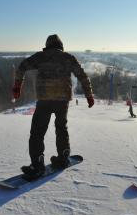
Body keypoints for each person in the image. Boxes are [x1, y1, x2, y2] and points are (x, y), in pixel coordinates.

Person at [12, 34, 94, 179]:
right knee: (61, 126)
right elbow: (82, 76)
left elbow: (22, 67)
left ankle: (37, 165)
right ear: (61, 46)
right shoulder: (68, 58)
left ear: (47, 45)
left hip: (45, 99)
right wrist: (89, 95)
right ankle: (63, 157)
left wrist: (18, 85)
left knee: (38, 131)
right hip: (63, 100)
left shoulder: (41, 57)